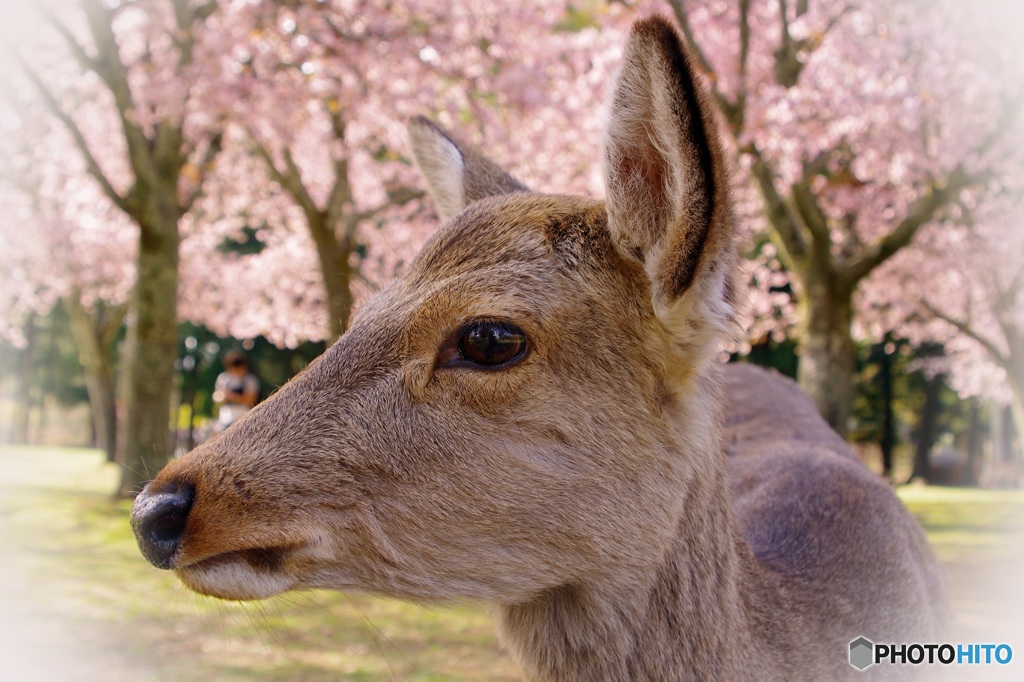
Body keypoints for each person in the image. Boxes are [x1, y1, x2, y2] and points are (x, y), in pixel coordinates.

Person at [213, 351, 259, 432]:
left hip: (243, 417)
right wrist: (224, 397)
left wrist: (233, 397)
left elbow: (250, 400)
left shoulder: (250, 380)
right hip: (225, 418)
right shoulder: (223, 378)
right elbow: (216, 397)